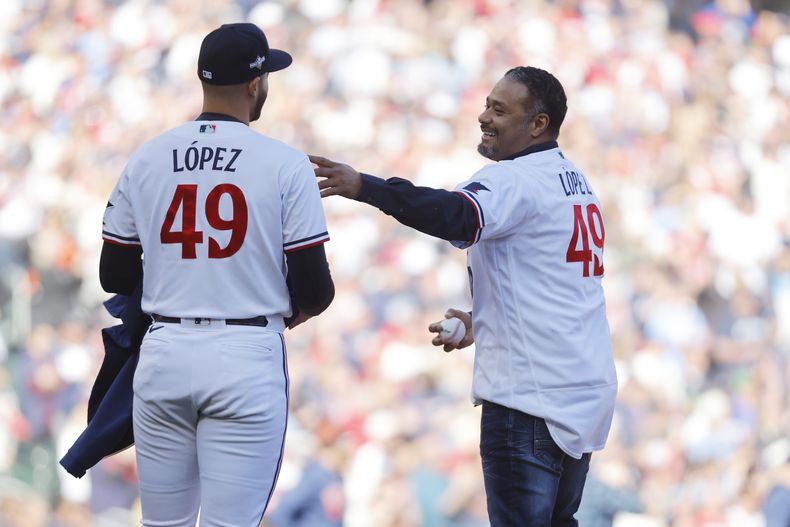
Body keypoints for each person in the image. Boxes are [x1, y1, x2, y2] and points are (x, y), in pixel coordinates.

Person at [311, 66, 617, 526]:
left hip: (531, 401)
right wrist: (485, 318)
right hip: (581, 391)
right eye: (486, 104)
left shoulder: (516, 179)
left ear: (538, 123)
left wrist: (364, 186)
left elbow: (457, 215)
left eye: (499, 109)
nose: (484, 117)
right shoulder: (577, 183)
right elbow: (557, 286)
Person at [99, 23, 335, 527]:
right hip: (246, 355)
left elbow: (113, 273)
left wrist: (185, 280)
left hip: (164, 350)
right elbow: (317, 291)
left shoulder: (148, 155)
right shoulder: (286, 164)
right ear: (254, 85)